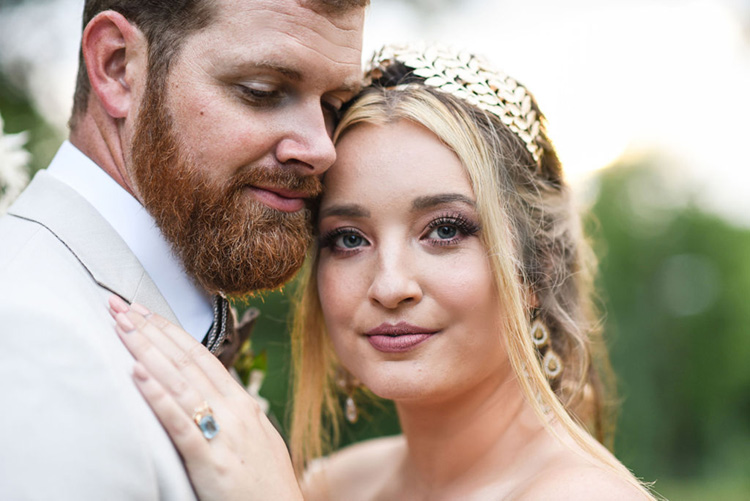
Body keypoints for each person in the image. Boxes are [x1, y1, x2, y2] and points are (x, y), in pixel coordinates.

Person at [109, 43, 657, 499]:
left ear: (537, 269)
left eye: (445, 230)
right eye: (349, 239)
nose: (391, 286)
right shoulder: (335, 485)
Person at [0, 0, 366, 499]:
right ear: (117, 67)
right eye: (262, 92)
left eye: (333, 106)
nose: (322, 148)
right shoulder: (32, 338)